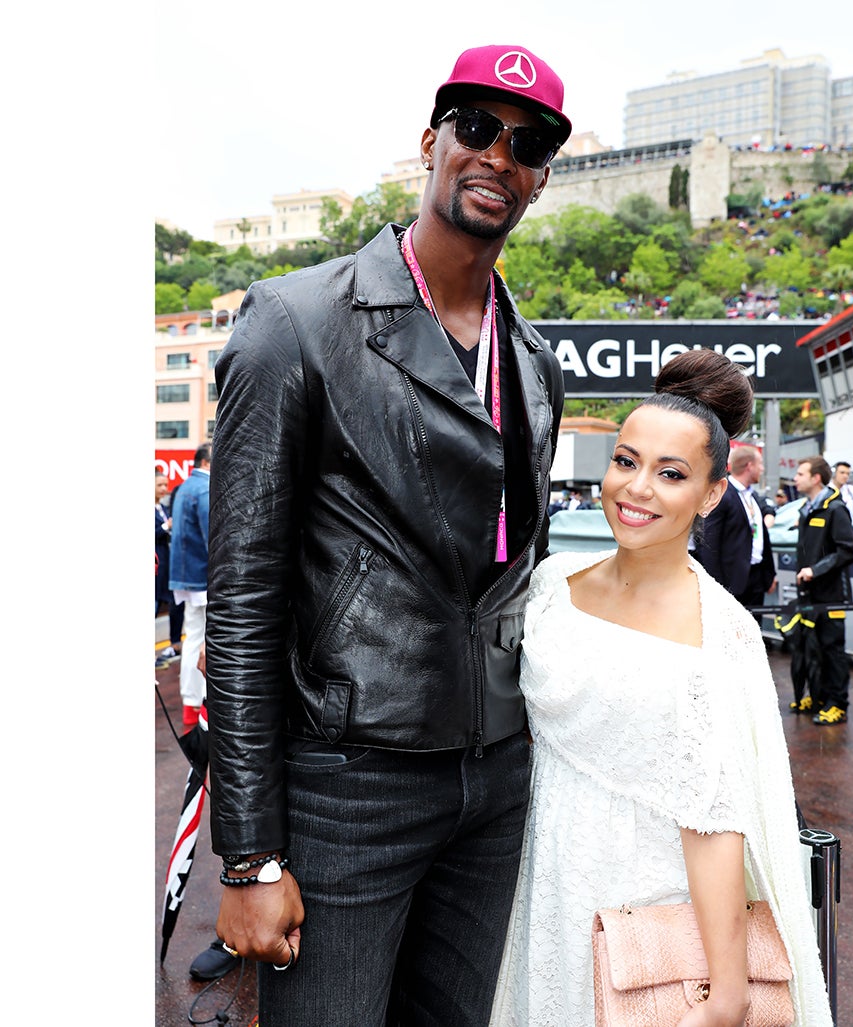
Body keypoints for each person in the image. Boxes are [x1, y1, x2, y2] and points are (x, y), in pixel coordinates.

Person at [204, 44, 569, 1027]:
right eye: (477, 128)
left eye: (529, 143)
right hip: (348, 782)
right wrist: (249, 853)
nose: (499, 156)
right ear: (430, 142)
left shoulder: (534, 360)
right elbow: (241, 603)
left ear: (542, 176)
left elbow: (516, 576)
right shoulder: (294, 320)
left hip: (496, 775)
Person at [489, 350, 832, 1027]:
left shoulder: (718, 635)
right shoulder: (552, 585)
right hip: (541, 893)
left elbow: (716, 820)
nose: (637, 488)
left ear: (711, 493)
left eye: (671, 473)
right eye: (626, 461)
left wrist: (727, 993)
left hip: (648, 920)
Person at [787, 456, 853, 725]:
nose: (795, 478)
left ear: (816, 478)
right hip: (810, 594)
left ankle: (837, 703)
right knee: (812, 647)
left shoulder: (835, 509)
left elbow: (848, 550)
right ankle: (817, 697)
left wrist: (815, 570)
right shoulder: (807, 509)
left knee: (832, 650)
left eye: (800, 474)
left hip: (831, 595)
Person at [692, 444, 776, 616]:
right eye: (760, 464)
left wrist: (768, 575)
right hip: (731, 582)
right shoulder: (722, 495)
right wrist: (716, 585)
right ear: (749, 466)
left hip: (755, 578)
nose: (762, 469)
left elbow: (759, 533)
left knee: (755, 628)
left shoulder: (751, 495)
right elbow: (708, 543)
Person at [168, 442, 211, 730]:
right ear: (207, 462)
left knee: (193, 637)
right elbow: (212, 537)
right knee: (204, 640)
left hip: (186, 575)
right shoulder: (204, 488)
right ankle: (200, 701)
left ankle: (191, 703)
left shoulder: (185, 487)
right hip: (202, 576)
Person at [154, 471, 183, 665]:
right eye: (160, 485)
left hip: (167, 565)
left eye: (166, 485)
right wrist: (166, 526)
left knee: (175, 603)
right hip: (155, 566)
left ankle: (175, 643)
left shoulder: (163, 508)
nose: (164, 489)